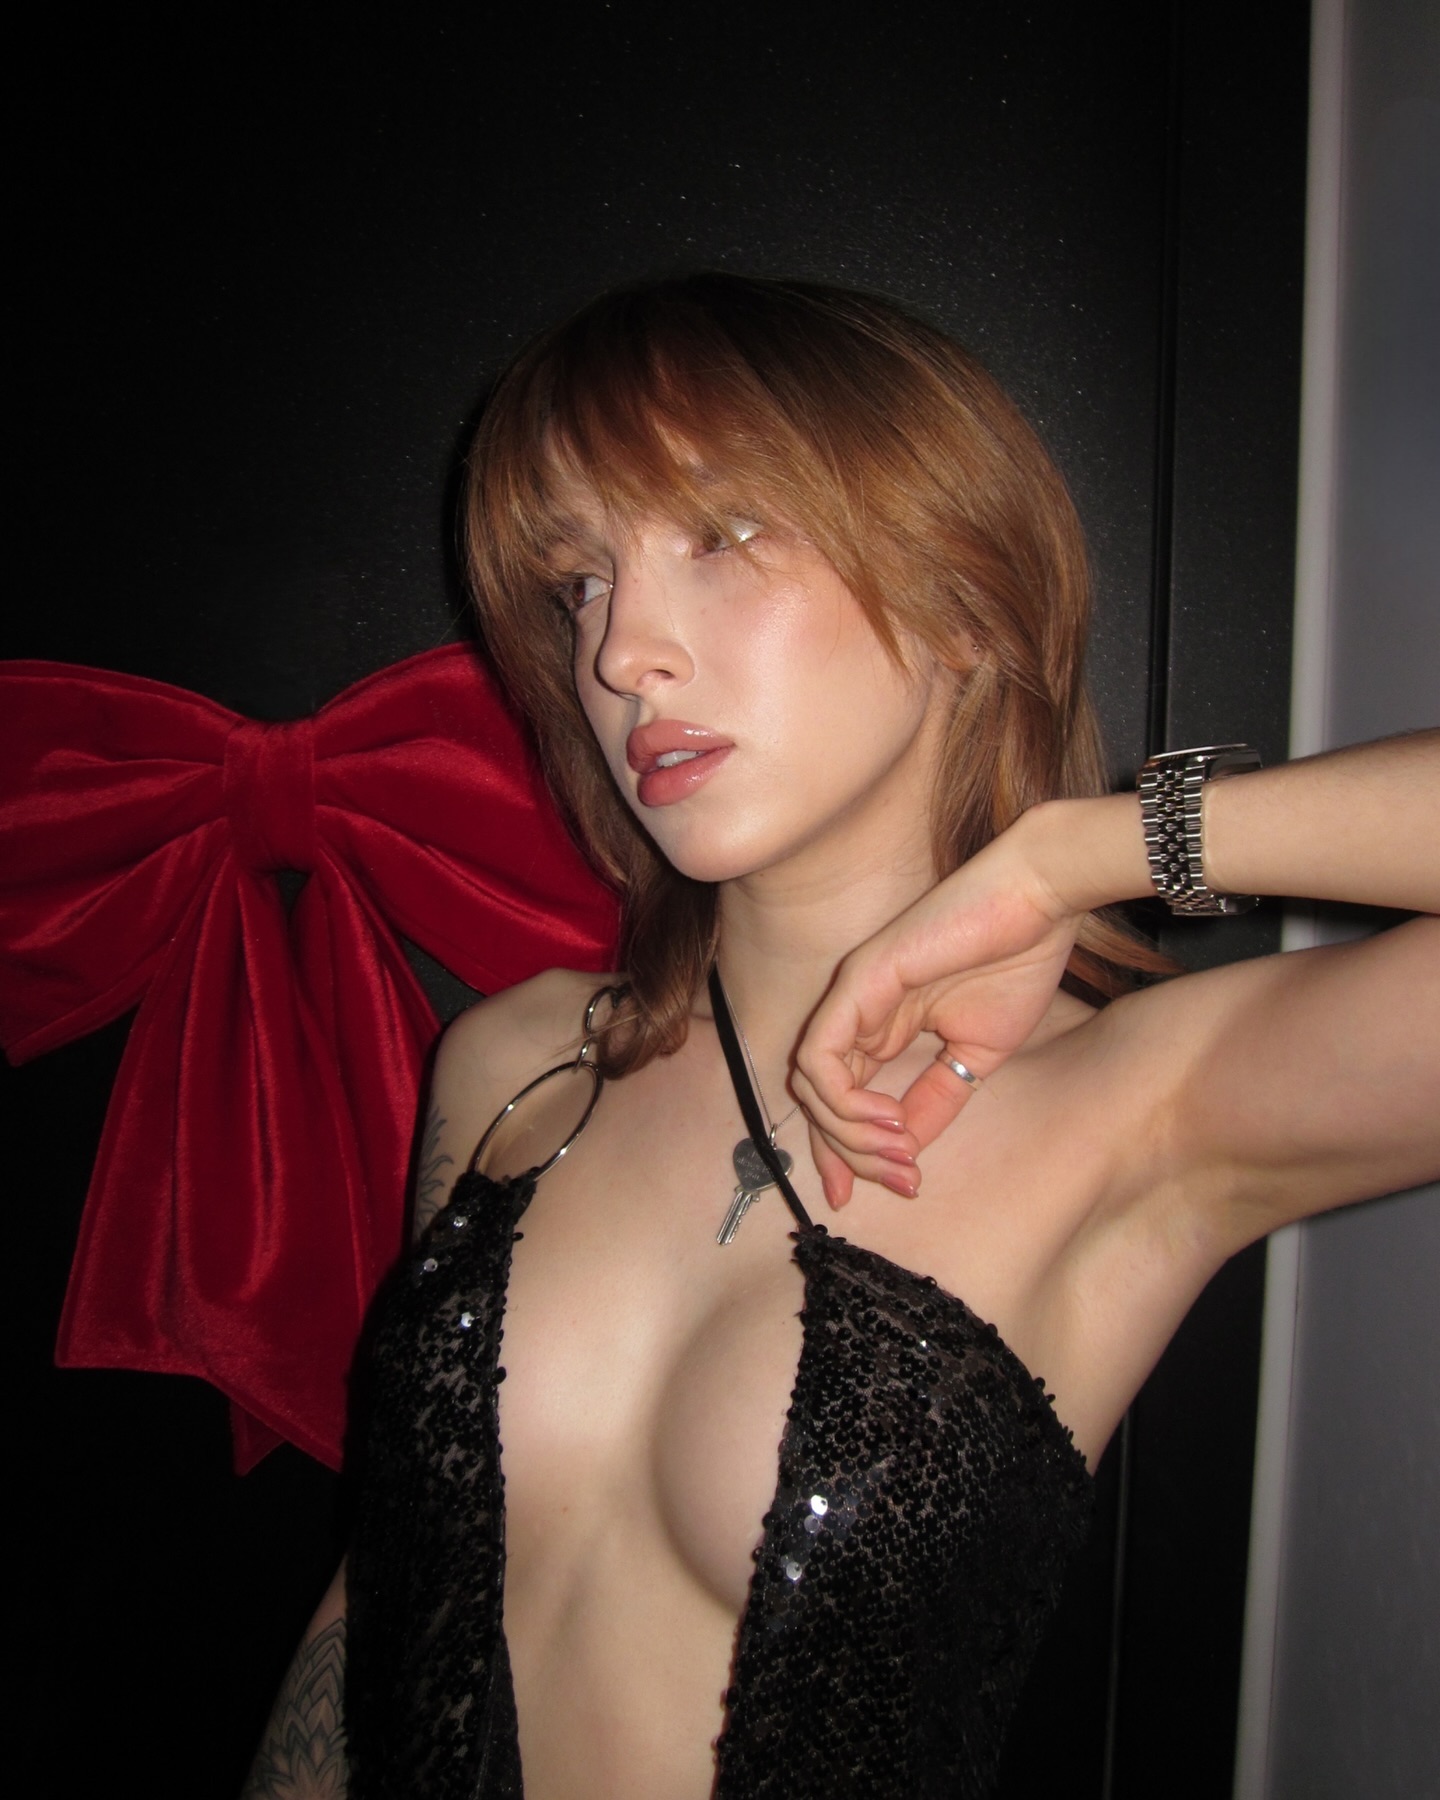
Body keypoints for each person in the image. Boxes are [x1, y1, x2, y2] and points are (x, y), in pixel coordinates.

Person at [241, 273, 1439, 1800]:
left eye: (724, 533)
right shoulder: (517, 1065)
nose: (620, 654)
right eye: (580, 582)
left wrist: (1075, 856)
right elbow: (382, 1594)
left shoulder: (1137, 1112)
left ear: (962, 598)